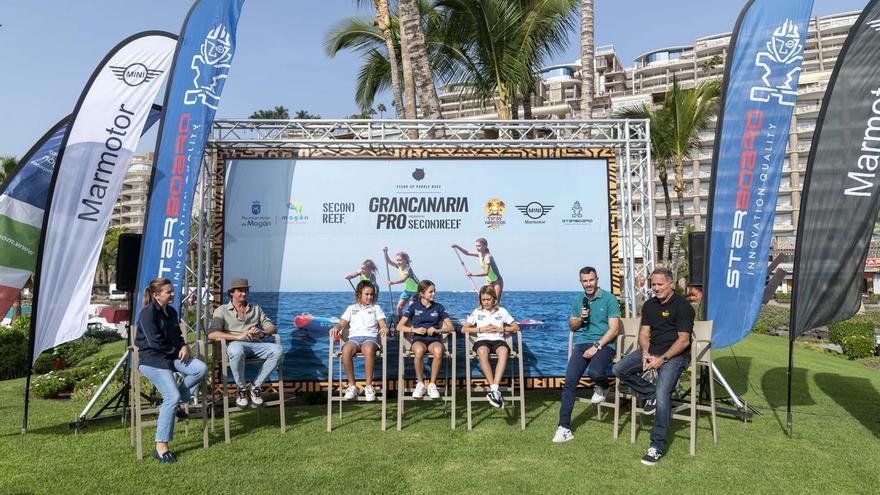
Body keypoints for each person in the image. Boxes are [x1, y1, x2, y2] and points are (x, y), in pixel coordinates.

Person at [613, 267, 694, 466]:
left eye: (659, 284)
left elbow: (684, 341)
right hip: (652, 351)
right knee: (618, 369)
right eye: (653, 285)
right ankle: (649, 394)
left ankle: (656, 446)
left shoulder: (683, 307)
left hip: (675, 356)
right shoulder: (649, 305)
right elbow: (643, 334)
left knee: (663, 393)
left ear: (671, 284)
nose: (656, 288)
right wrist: (646, 352)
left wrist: (662, 359)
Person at [135, 278, 207, 464]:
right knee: (172, 397)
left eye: (173, 291)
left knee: (200, 369)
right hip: (152, 360)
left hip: (172, 356)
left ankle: (174, 405)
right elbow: (154, 343)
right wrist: (177, 351)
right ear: (156, 295)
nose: (174, 294)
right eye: (169, 292)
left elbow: (178, 335)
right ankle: (161, 446)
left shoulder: (172, 311)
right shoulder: (147, 314)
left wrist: (184, 346)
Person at [553, 266, 621, 443]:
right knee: (569, 382)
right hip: (582, 343)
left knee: (595, 372)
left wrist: (597, 346)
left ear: (597, 279)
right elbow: (572, 327)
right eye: (585, 281)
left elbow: (614, 330)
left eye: (591, 280)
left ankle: (604, 386)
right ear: (581, 281)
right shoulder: (578, 300)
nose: (588, 284)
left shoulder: (609, 299)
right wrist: (581, 319)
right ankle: (564, 427)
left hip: (604, 343)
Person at [208, 277, 283, 409]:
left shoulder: (256, 308)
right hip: (235, 345)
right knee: (236, 349)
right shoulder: (222, 310)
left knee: (278, 350)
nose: (244, 293)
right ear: (232, 292)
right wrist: (238, 336)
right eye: (240, 291)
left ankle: (255, 387)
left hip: (255, 344)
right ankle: (241, 390)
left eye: (245, 290)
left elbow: (272, 328)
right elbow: (212, 334)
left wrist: (262, 333)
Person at [461, 285, 520, 409]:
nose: (486, 302)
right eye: (483, 300)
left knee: (504, 352)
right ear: (480, 300)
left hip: (498, 339)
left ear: (494, 299)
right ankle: (494, 389)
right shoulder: (477, 312)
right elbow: (464, 329)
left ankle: (494, 389)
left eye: (488, 299)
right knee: (482, 352)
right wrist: (481, 329)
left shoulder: (502, 311)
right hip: (482, 339)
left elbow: (516, 327)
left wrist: (501, 329)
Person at [330, 280, 389, 401]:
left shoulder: (376, 308)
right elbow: (342, 323)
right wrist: (337, 327)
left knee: (368, 349)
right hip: (354, 339)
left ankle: (368, 386)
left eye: (371, 294)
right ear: (359, 294)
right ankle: (352, 386)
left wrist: (383, 328)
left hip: (370, 339)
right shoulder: (351, 308)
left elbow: (382, 323)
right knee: (346, 350)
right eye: (366, 294)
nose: (369, 297)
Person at [396, 280, 453, 399]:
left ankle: (432, 384)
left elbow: (451, 327)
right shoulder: (413, 307)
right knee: (419, 351)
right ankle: (420, 384)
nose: (434, 294)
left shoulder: (439, 307)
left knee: (438, 351)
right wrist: (414, 330)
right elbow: (399, 326)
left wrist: (437, 330)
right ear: (422, 294)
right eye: (431, 292)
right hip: (418, 339)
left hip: (434, 340)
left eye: (434, 291)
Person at [452, 238, 503, 302]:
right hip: (489, 281)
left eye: (479, 246)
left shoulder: (488, 257)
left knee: (495, 302)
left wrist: (472, 274)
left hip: (497, 281)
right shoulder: (480, 254)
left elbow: (486, 272)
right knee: (483, 299)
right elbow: (467, 253)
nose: (477, 248)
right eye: (476, 246)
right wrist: (456, 246)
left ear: (485, 246)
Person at [383, 247, 419, 319]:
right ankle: (400, 323)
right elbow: (388, 261)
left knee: (411, 306)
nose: (398, 262)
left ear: (406, 260)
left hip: (416, 290)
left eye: (400, 260)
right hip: (407, 290)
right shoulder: (399, 266)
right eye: (397, 260)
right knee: (399, 307)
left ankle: (414, 322)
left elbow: (404, 279)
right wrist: (385, 253)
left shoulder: (407, 268)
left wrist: (393, 282)